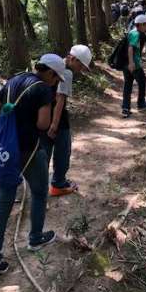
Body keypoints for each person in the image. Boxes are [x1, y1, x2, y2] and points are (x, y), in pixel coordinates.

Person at [0, 54, 66, 275]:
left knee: (3, 200)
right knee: (39, 192)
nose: (55, 82)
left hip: (6, 148)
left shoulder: (14, 80)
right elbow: (43, 123)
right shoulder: (43, 90)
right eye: (56, 78)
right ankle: (35, 238)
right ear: (50, 72)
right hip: (29, 149)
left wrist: (4, 130)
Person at [47, 45, 92, 197]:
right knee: (63, 149)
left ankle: (41, 183)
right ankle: (58, 184)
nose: (81, 69)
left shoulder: (54, 63)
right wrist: (55, 124)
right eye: (81, 65)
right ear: (73, 59)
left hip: (42, 112)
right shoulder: (66, 72)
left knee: (45, 149)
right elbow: (60, 99)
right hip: (56, 116)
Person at [122, 14, 146, 118]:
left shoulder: (132, 32)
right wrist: (131, 63)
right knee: (142, 81)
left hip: (125, 64)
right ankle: (141, 103)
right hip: (134, 65)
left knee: (128, 85)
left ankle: (126, 108)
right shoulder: (136, 34)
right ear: (141, 25)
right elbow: (130, 48)